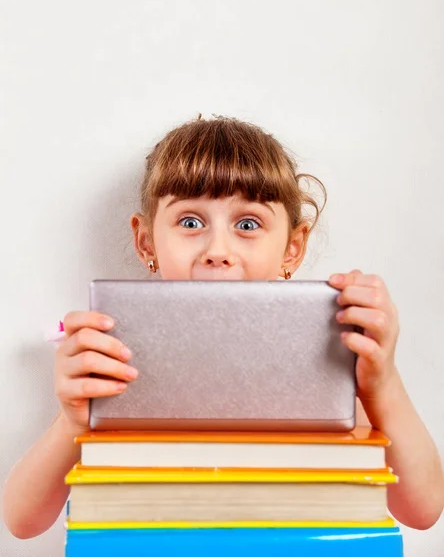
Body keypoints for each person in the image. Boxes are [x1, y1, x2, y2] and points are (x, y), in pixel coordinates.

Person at [3, 115, 443, 539]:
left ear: (293, 247)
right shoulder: (114, 357)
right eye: (190, 222)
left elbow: (422, 510)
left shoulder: (324, 357)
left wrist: (382, 384)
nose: (218, 250)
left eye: (248, 224)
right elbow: (22, 522)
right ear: (146, 242)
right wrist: (72, 422)